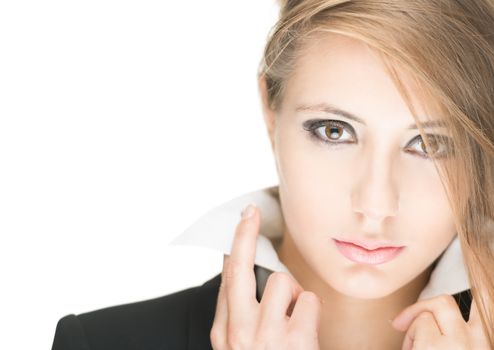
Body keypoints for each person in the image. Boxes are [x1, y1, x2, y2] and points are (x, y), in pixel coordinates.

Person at [51, 0, 494, 349]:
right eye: (334, 131)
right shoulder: (103, 343)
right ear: (270, 110)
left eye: (430, 144)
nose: (376, 204)